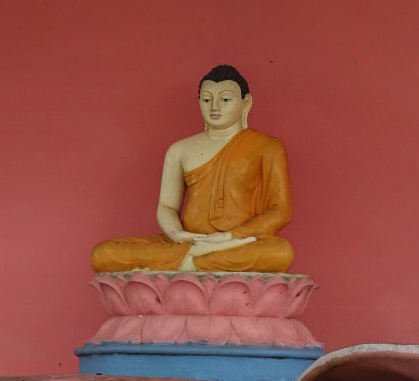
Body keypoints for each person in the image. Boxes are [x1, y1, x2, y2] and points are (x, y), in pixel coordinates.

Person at [91, 65, 295, 274]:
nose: (214, 107)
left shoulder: (267, 147)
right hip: (189, 241)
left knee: (280, 252)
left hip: (240, 242)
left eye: (225, 100)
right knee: (103, 254)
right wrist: (178, 235)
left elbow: (281, 210)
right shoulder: (180, 150)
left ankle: (189, 264)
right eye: (206, 100)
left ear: (245, 103)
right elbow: (167, 206)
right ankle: (196, 259)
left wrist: (231, 236)